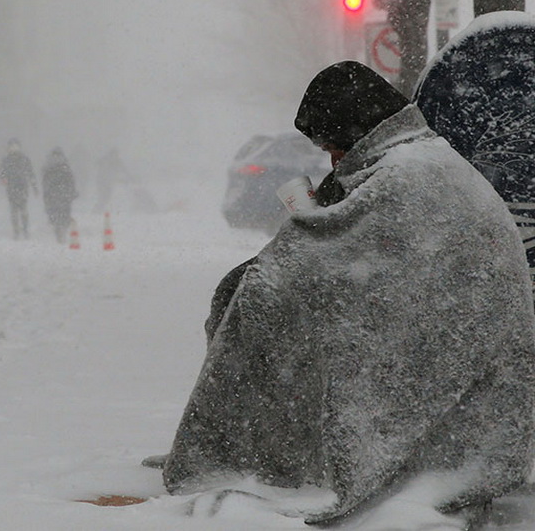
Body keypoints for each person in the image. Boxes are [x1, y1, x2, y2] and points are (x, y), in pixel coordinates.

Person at [158, 62, 535, 525]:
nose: (333, 161)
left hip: (463, 374)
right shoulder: (420, 158)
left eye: (334, 147)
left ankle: (260, 457)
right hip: (464, 352)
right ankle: (266, 451)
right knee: (248, 292)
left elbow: (321, 271)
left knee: (259, 302)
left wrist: (306, 235)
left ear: (356, 131)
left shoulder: (408, 176)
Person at [0, 138, 38, 239]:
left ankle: (16, 230)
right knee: (23, 209)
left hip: (12, 188)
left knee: (14, 210)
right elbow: (31, 173)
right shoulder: (24, 159)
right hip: (22, 187)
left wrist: (4, 179)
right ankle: (25, 230)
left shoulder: (7, 160)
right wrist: (34, 187)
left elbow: (2, 174)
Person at [42, 147, 78, 243]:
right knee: (61, 215)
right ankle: (60, 231)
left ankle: (60, 231)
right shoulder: (63, 168)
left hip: (57, 195)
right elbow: (70, 181)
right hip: (61, 195)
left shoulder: (50, 169)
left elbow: (45, 183)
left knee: (58, 215)